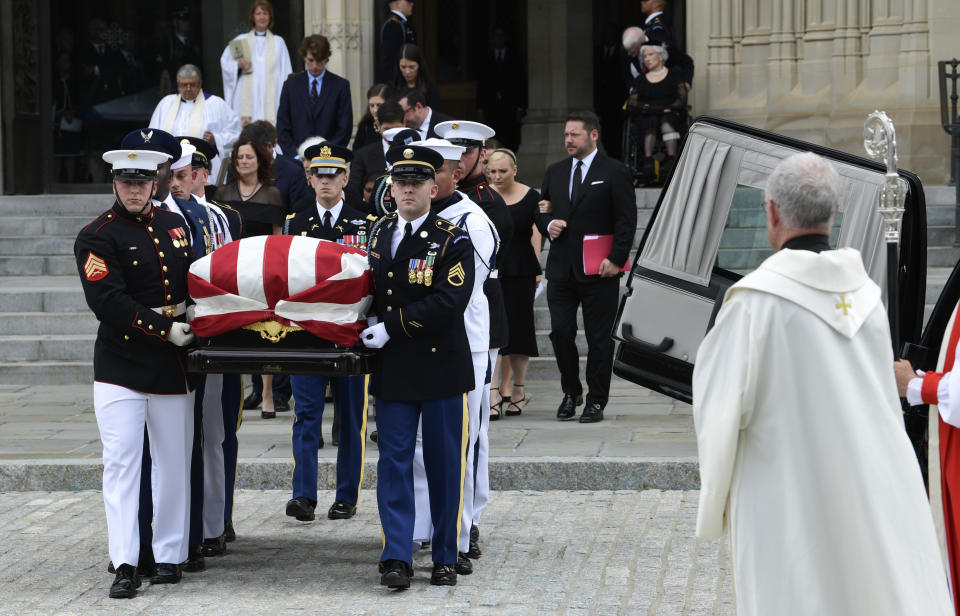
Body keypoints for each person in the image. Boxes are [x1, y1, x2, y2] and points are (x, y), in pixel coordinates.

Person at [694, 152, 952, 615]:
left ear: (770, 211)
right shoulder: (867, 299)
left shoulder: (754, 305)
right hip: (868, 486)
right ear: (835, 213)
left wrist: (714, 503)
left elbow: (718, 412)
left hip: (785, 491)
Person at [75, 144, 195, 599]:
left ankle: (167, 556)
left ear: (154, 185)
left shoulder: (173, 224)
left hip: (172, 364)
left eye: (141, 182)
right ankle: (125, 562)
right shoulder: (96, 236)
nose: (133, 190)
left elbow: (193, 282)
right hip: (121, 363)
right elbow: (107, 302)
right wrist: (166, 329)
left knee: (172, 464)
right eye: (125, 182)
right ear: (114, 184)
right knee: (122, 465)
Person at [360, 144, 474, 588]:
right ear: (392, 187)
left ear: (433, 187)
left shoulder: (452, 238)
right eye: (400, 182)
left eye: (416, 182)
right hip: (394, 369)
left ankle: (445, 555)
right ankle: (396, 556)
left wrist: (391, 326)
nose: (407, 189)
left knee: (445, 464)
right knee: (394, 462)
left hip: (440, 366)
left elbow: (450, 302)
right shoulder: (376, 233)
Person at [411, 136, 498, 575]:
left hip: (461, 343)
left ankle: (463, 530)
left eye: (435, 171)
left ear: (454, 174)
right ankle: (423, 525)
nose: (424, 180)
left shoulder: (472, 221)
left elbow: (462, 291)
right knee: (419, 447)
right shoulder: (406, 216)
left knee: (462, 443)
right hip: (415, 344)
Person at [282, 142, 375, 523]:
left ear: (345, 179)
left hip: (348, 334)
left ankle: (346, 496)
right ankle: (303, 495)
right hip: (306, 332)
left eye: (333, 174)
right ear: (309, 179)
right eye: (318, 174)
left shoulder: (364, 222)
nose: (325, 181)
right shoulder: (295, 223)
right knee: (306, 416)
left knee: (351, 418)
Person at [435, 121, 513, 557]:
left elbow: (482, 280)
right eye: (454, 152)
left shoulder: (483, 205)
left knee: (472, 432)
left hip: (474, 328)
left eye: (466, 151)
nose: (461, 159)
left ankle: (471, 517)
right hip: (433, 335)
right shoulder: (417, 207)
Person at [536, 110, 636, 423]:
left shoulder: (615, 170)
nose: (568, 140)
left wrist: (617, 259)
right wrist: (548, 223)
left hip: (599, 268)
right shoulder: (555, 171)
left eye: (574, 134)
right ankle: (571, 391)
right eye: (566, 135)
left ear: (593, 135)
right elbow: (543, 210)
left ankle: (596, 399)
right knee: (561, 333)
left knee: (598, 338)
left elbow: (626, 220)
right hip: (561, 269)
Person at [214, 135, 286, 419]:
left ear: (260, 161)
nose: (244, 161)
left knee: (266, 329)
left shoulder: (273, 194)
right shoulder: (222, 194)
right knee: (238, 329)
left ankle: (267, 393)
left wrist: (276, 272)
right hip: (232, 268)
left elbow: (279, 237)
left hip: (262, 267)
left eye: (249, 157)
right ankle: (241, 390)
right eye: (240, 157)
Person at [487, 148, 541, 418]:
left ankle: (517, 388)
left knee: (520, 332)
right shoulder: (483, 196)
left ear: (515, 170)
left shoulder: (530, 196)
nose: (497, 176)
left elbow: (538, 227)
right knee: (493, 331)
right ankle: (494, 390)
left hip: (521, 269)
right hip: (491, 270)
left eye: (503, 171)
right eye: (492, 171)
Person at [149, 64, 242, 183]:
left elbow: (237, 133)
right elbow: (153, 135)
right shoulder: (166, 104)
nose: (188, 88)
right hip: (171, 167)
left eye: (192, 84)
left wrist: (216, 139)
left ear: (200, 84)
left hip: (204, 167)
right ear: (178, 85)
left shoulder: (216, 104)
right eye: (184, 85)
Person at [276, 34, 353, 155]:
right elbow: (282, 126)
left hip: (329, 158)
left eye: (320, 61)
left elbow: (344, 127)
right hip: (297, 159)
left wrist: (327, 153)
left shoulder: (340, 86)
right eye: (311, 60)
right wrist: (295, 155)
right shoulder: (290, 86)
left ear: (327, 59)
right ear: (304, 58)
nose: (315, 66)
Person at [220, 0, 292, 126]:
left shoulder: (278, 42)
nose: (262, 17)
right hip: (246, 99)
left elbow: (286, 72)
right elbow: (225, 63)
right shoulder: (240, 40)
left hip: (271, 97)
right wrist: (238, 65)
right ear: (252, 17)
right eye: (258, 13)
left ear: (270, 17)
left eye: (265, 13)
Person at [627, 43, 686, 168]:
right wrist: (652, 108)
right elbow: (633, 102)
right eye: (644, 56)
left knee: (667, 121)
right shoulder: (641, 79)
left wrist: (668, 109)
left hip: (670, 113)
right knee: (651, 121)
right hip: (647, 113)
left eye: (650, 55)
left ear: (660, 55)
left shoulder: (674, 74)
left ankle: (672, 159)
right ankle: (648, 161)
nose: (647, 59)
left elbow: (681, 99)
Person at [346, 100, 404, 205]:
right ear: (378, 125)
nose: (392, 134)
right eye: (387, 129)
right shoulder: (362, 156)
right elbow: (353, 193)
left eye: (396, 129)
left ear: (404, 124)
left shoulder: (413, 152)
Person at [476, 28, 526, 152]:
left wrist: (521, 107)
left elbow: (521, 83)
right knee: (492, 135)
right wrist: (480, 108)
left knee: (509, 136)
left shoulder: (515, 57)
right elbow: (481, 85)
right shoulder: (486, 58)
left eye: (501, 36)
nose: (499, 39)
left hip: (510, 106)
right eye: (496, 36)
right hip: (491, 107)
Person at [378, 0, 417, 83]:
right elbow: (391, 60)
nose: (412, 3)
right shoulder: (393, 25)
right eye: (408, 1)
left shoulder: (402, 23)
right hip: (398, 82)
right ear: (398, 4)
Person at [353, 83, 393, 151]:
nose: (375, 110)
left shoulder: (396, 125)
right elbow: (356, 155)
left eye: (379, 105)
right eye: (372, 105)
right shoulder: (365, 127)